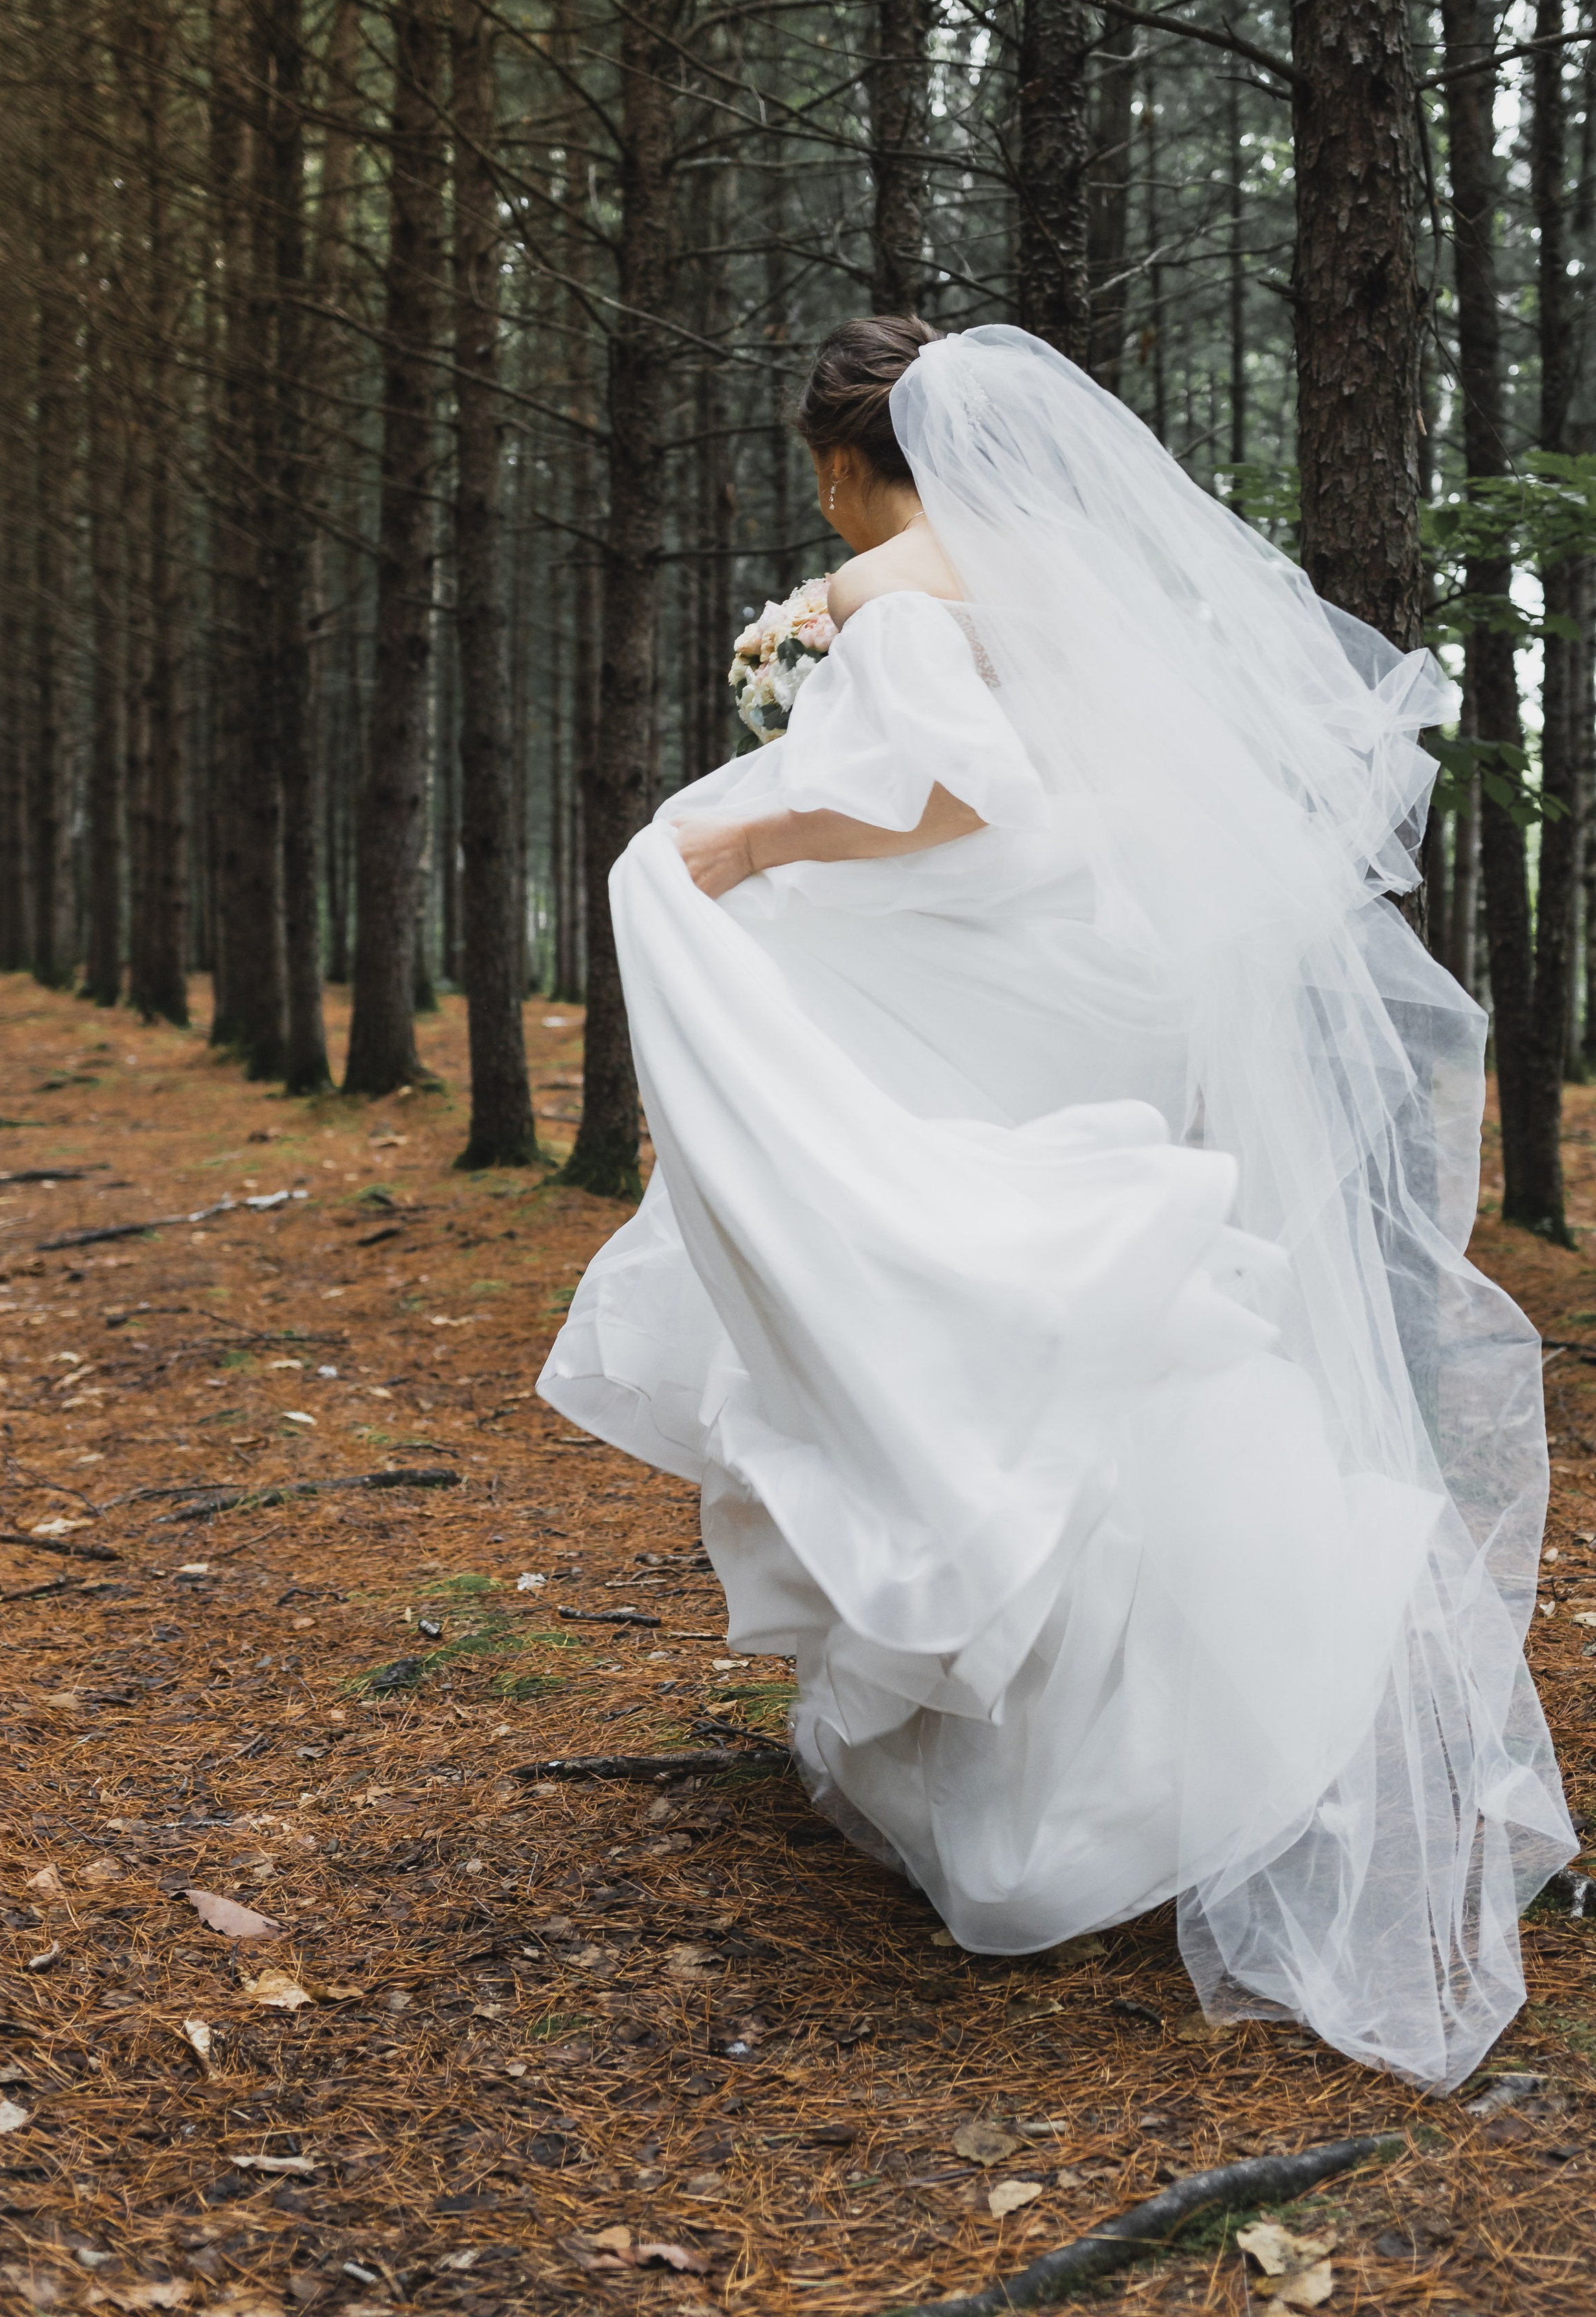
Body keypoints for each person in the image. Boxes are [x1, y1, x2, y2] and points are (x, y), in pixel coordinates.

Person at [538, 315, 1573, 2090]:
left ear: (852, 461)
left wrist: (755, 839)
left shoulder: (891, 592)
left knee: (985, 1307)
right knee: (1072, 1322)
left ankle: (1044, 1766)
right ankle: (1194, 1724)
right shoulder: (1055, 580)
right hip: (1072, 980)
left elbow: (960, 791)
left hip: (983, 990)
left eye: (818, 471)